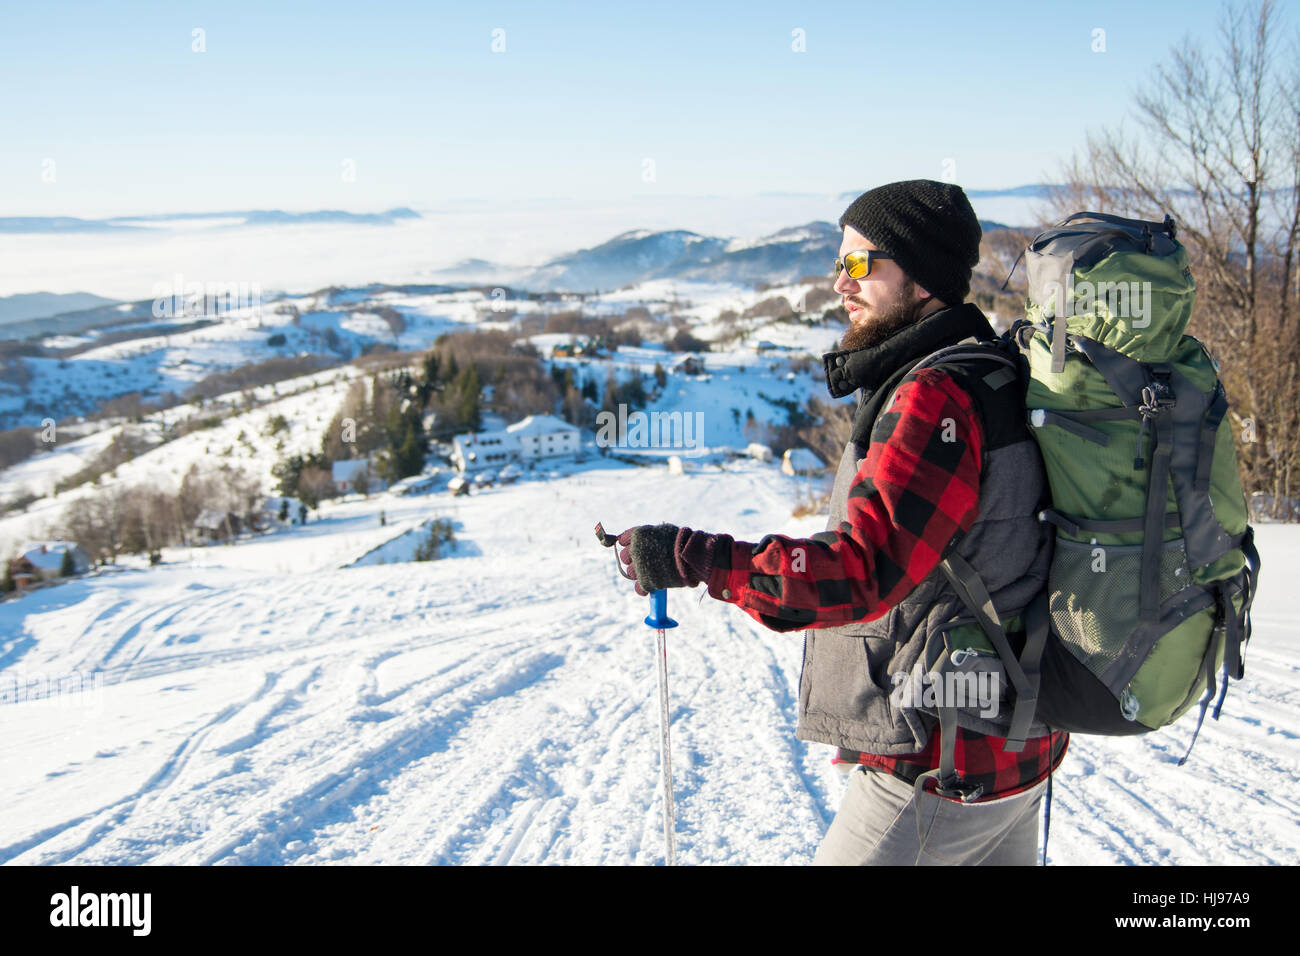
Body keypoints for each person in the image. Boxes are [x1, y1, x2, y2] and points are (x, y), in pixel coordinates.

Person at [612, 180, 1067, 866]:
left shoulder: (934, 395)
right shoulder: (992, 370)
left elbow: (861, 571)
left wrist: (698, 557)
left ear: (923, 277)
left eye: (860, 264)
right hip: (1015, 749)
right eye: (838, 264)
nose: (840, 283)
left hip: (938, 765)